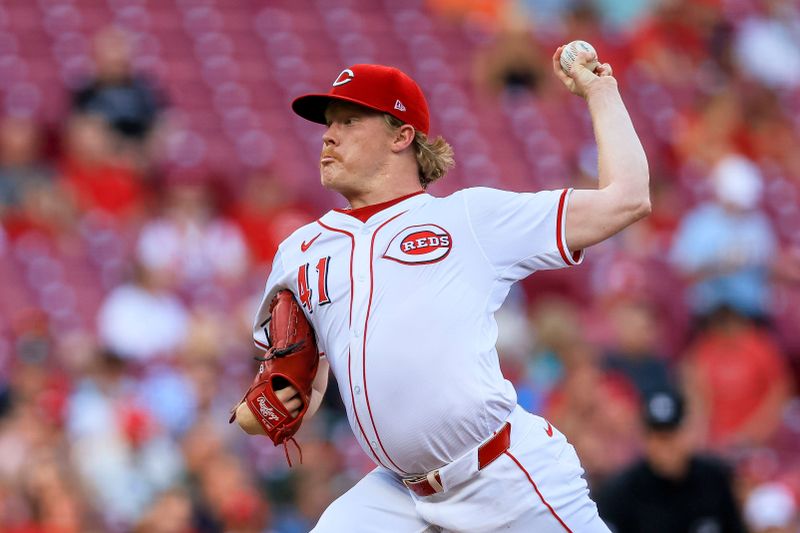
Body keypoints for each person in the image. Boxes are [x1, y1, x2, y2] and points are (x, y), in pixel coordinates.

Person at [246, 43, 650, 531]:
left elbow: (628, 199)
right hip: (396, 492)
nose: (329, 136)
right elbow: (302, 385)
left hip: (501, 474)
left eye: (349, 121)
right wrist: (269, 404)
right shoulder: (300, 251)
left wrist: (600, 90)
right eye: (328, 123)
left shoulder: (467, 219)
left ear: (403, 136)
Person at [595, 390, 747, 533]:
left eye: (672, 435)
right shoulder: (620, 493)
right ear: (645, 439)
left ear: (687, 433)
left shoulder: (714, 479)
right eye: (658, 437)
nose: (666, 447)